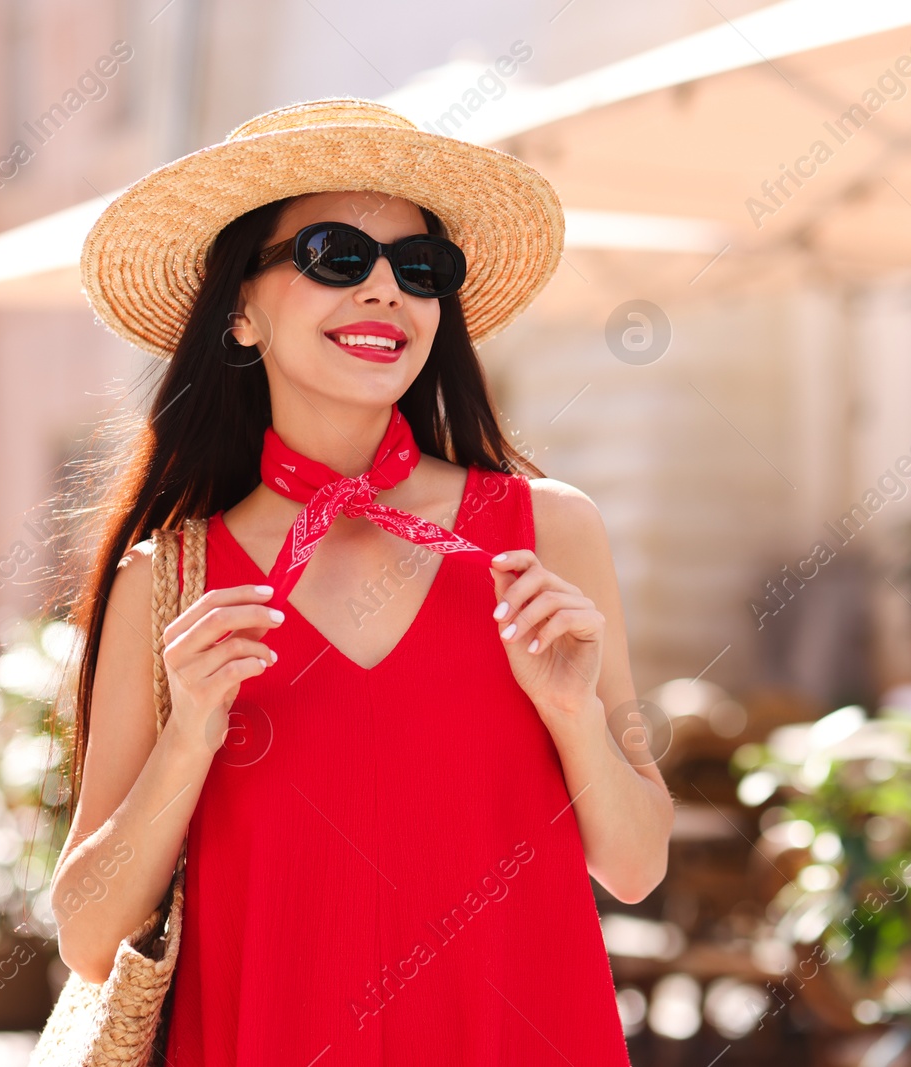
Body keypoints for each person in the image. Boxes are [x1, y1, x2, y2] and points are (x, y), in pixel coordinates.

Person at [49, 97, 674, 1065]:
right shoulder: (169, 578)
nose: (386, 289)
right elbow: (87, 937)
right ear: (242, 310)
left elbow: (635, 863)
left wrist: (572, 711)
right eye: (336, 255)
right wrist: (189, 737)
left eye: (420, 270)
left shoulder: (549, 531)